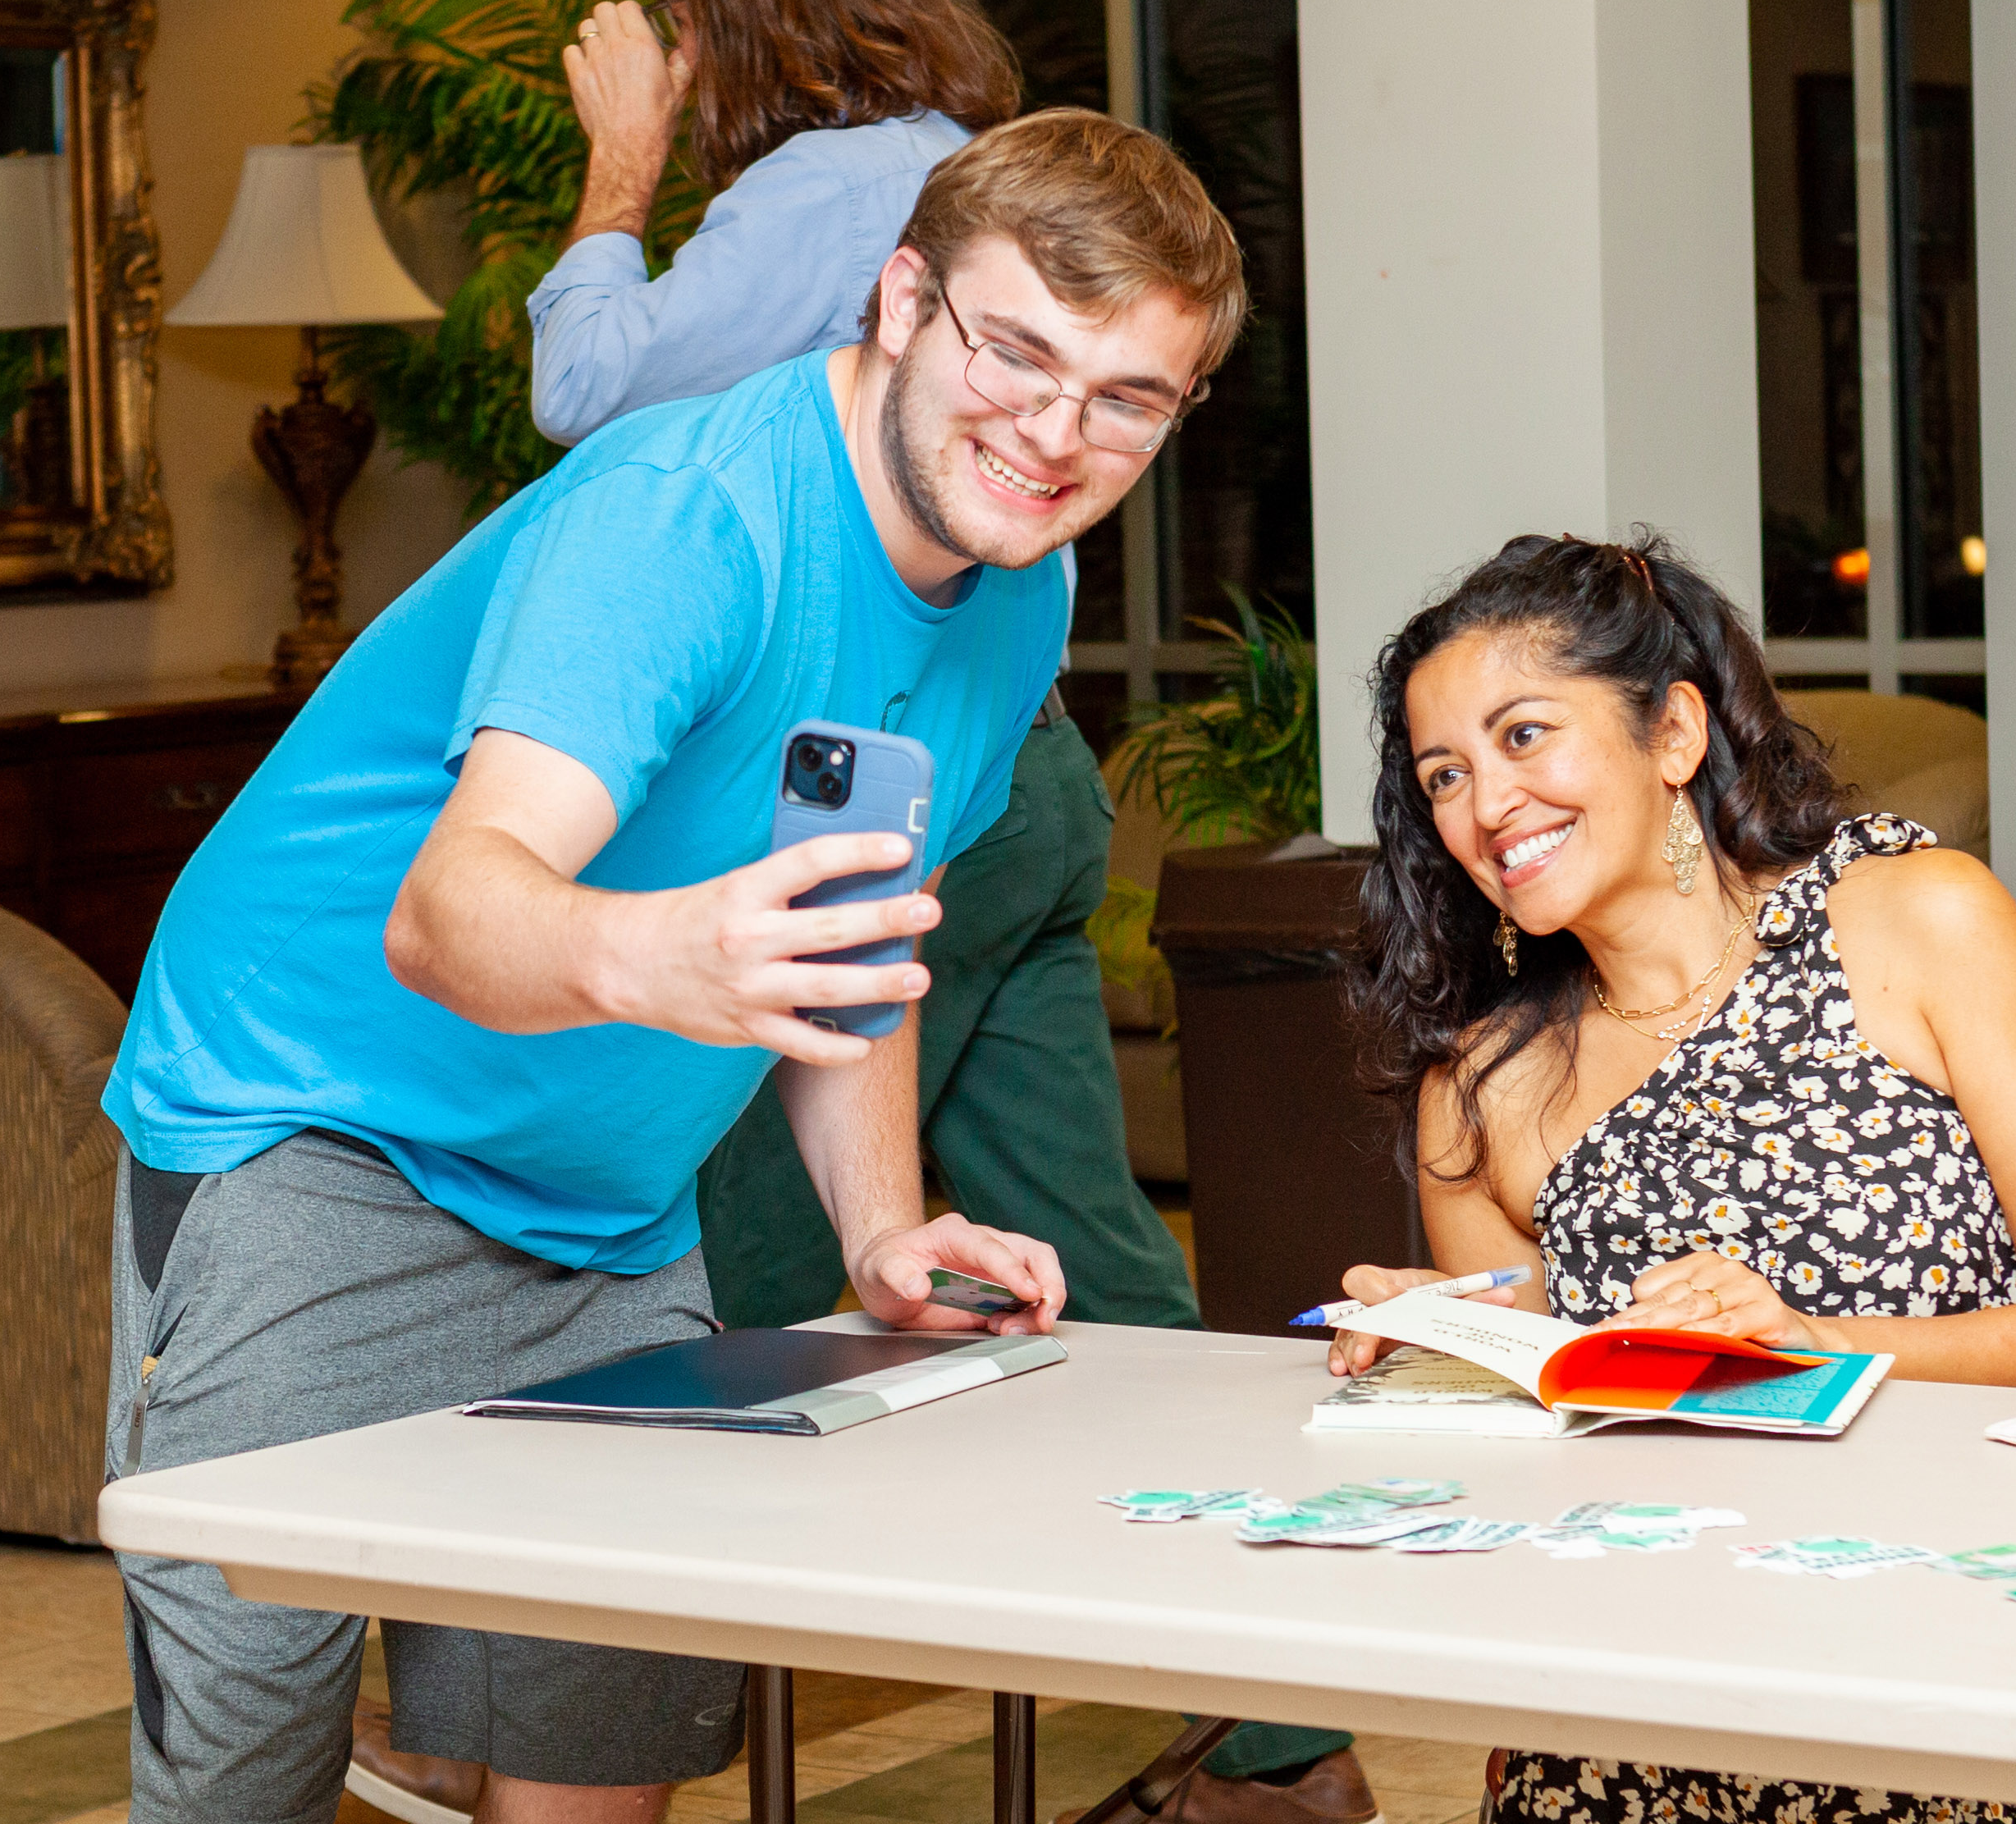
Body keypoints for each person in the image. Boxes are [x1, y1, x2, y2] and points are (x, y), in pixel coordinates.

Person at [102, 108, 1241, 1824]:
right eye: (1016, 351)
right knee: (245, 1783)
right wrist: (667, 946)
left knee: (594, 1767)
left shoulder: (1023, 584)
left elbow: (859, 904)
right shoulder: (688, 522)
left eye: (1127, 399)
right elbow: (452, 908)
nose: (1056, 434)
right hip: (316, 1136)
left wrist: (878, 1230)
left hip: (610, 1208)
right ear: (903, 298)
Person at [1335, 531, 2016, 1824]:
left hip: (1943, 1630)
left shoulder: (1914, 921)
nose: (1485, 806)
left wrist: (1809, 1346)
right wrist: (1451, 1345)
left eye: (1523, 736)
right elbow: (1563, 1422)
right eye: (1444, 773)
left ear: (1671, 734)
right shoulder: (1482, 1088)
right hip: (1646, 1667)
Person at [531, 0, 1202, 1336]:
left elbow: (584, 389)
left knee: (751, 1240)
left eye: (682, 14)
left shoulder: (834, 182)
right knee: (1075, 1236)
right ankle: (1188, 1493)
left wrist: (621, 159)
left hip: (891, 772)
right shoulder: (982, 165)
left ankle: (709, 1471)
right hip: (1037, 768)